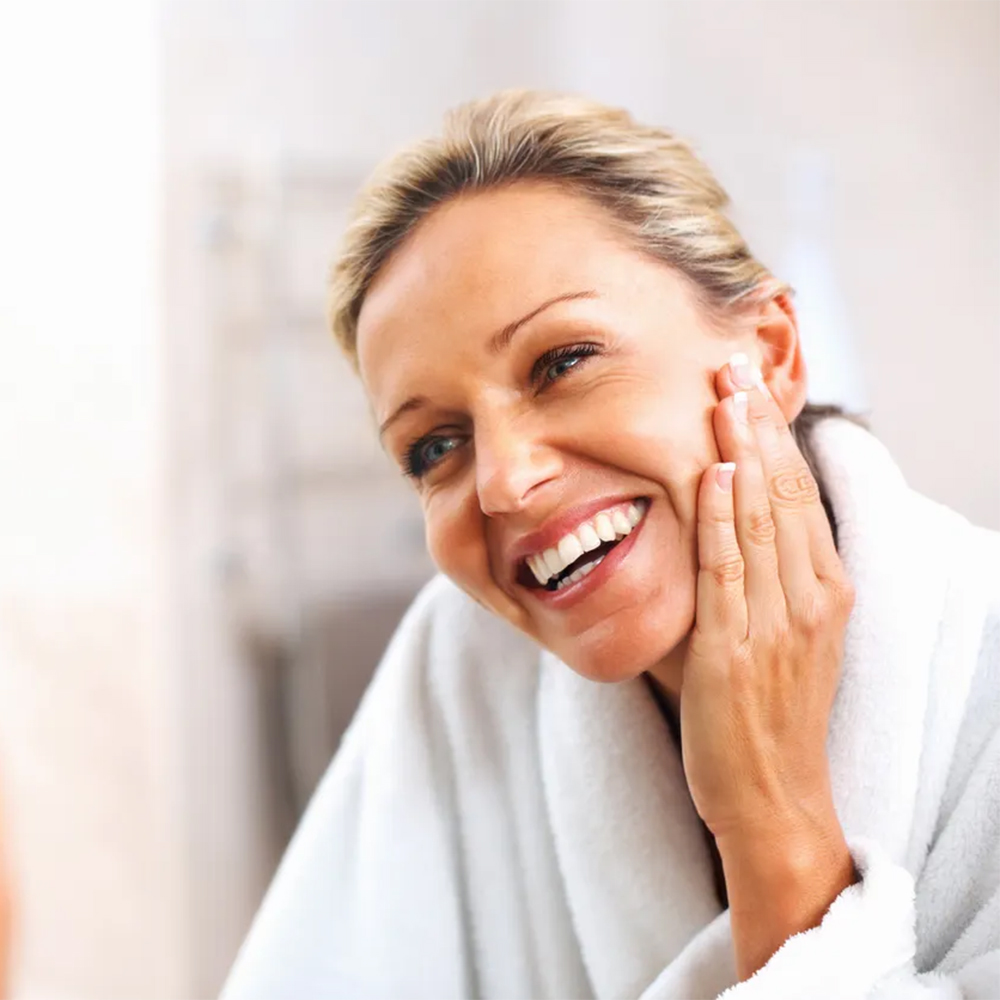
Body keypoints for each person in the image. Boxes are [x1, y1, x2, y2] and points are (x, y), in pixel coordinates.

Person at [221, 91, 1000, 999]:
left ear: (775, 354)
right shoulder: (464, 666)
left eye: (563, 362)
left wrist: (773, 822)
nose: (505, 480)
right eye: (436, 447)